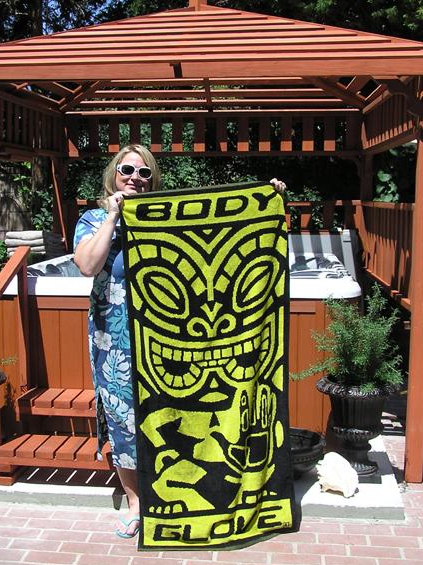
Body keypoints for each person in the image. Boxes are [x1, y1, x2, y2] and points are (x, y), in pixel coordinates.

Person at [73, 143, 286, 538]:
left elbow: (217, 235)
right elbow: (87, 265)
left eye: (144, 172)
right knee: (124, 421)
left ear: (153, 180)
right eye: (126, 170)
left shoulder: (164, 217)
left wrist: (264, 197)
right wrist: (114, 217)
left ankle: (182, 494)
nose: (135, 178)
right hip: (117, 343)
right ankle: (137, 504)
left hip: (169, 339)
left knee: (176, 416)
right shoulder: (95, 218)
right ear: (112, 174)